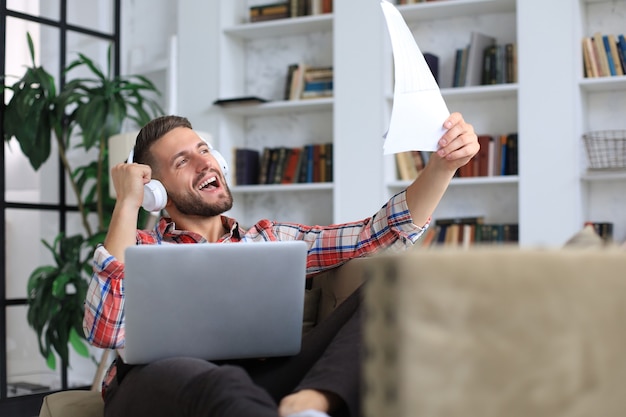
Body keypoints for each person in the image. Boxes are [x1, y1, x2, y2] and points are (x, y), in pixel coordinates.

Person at [83, 113, 479, 417]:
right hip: (157, 384)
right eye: (182, 161)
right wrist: (128, 202)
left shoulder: (269, 238)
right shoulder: (139, 247)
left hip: (257, 381)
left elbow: (375, 235)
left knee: (398, 281)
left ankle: (311, 402)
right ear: (157, 192)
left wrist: (444, 165)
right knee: (221, 384)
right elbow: (105, 328)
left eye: (204, 150)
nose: (204, 164)